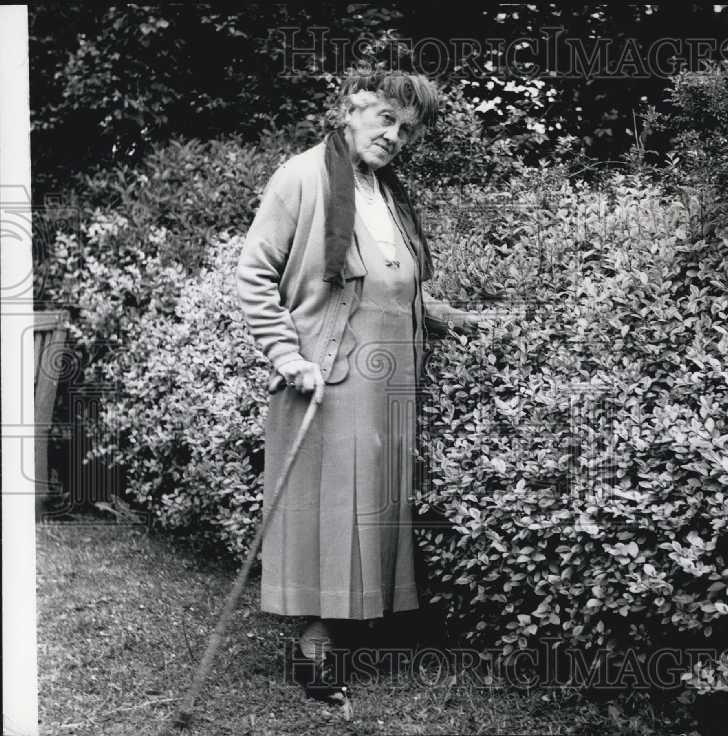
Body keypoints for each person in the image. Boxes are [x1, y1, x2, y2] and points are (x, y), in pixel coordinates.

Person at [236, 69, 490, 699]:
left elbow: (395, 282)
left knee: (374, 505)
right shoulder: (302, 176)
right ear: (352, 108)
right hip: (330, 372)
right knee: (331, 508)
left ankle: (359, 626)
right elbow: (253, 272)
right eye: (386, 120)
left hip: (390, 376)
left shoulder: (384, 189)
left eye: (407, 129)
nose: (395, 136)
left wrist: (455, 317)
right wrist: (287, 355)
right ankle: (314, 649)